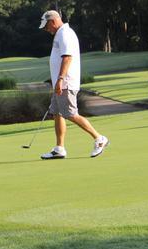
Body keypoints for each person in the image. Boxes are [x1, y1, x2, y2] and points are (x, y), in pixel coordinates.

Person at [39, 10, 109, 159]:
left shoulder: (65, 34)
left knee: (70, 114)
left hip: (66, 82)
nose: (46, 29)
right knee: (57, 113)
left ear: (53, 21)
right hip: (61, 83)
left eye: (46, 26)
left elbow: (67, 58)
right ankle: (59, 148)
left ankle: (99, 138)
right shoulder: (60, 34)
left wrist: (60, 79)